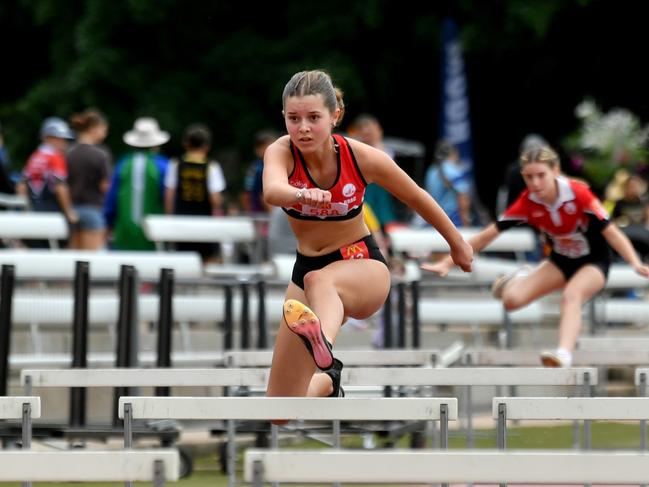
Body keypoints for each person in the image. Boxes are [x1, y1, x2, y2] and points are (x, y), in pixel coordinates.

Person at [264, 70, 472, 408]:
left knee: (321, 280)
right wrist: (301, 195)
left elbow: (417, 196)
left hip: (361, 263)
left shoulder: (361, 157)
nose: (302, 128)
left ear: (335, 116)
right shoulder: (282, 151)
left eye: (313, 118)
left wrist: (457, 244)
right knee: (278, 408)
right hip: (306, 268)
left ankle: (325, 349)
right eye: (293, 118)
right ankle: (327, 383)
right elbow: (272, 190)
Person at [422, 143, 649, 367]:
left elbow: (612, 233)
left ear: (556, 172)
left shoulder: (579, 194)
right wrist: (447, 262)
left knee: (572, 295)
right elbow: (486, 236)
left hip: (594, 261)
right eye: (529, 178)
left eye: (541, 175)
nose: (536, 183)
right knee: (511, 302)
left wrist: (634, 262)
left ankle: (564, 354)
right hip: (561, 261)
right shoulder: (528, 202)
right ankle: (521, 278)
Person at [104, 117, 169, 250]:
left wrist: (108, 223)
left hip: (124, 233)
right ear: (156, 144)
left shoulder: (124, 164)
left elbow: (112, 198)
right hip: (155, 233)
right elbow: (168, 198)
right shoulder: (163, 166)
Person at [164, 123, 226, 262]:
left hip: (182, 221)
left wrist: (169, 217)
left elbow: (169, 195)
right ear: (207, 146)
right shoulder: (211, 166)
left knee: (182, 260)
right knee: (208, 260)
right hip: (206, 222)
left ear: (186, 143)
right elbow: (215, 199)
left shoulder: (175, 164)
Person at [17, 117, 78, 226]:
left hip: (34, 212)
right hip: (52, 213)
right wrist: (69, 212)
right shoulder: (56, 157)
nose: (64, 143)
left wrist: (24, 210)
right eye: (60, 139)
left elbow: (21, 185)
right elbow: (61, 187)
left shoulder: (35, 156)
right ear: (47, 138)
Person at [67, 108, 112, 250]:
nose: (105, 132)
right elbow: (105, 186)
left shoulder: (69, 152)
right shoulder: (100, 154)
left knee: (73, 259)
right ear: (93, 128)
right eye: (103, 128)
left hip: (71, 210)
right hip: (93, 209)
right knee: (90, 261)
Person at [418, 139, 472, 227]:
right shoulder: (452, 170)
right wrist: (466, 222)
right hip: (453, 221)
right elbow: (463, 197)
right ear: (453, 153)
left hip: (434, 220)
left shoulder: (430, 171)